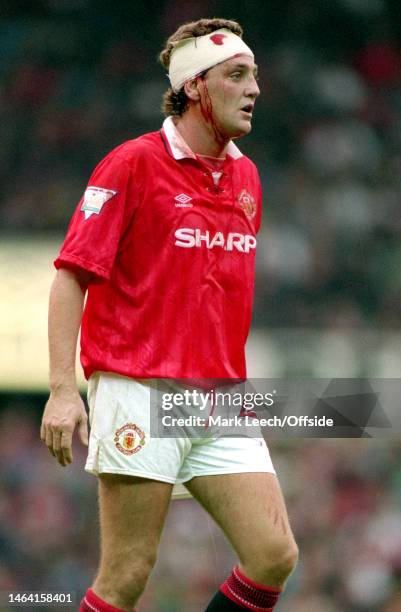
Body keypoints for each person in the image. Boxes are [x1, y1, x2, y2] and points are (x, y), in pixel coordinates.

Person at [40, 17, 298, 612]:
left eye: (255, 75)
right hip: (138, 385)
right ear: (195, 89)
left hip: (220, 396)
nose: (255, 88)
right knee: (127, 577)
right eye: (237, 75)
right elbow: (70, 275)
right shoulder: (130, 164)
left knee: (274, 556)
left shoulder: (247, 176)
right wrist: (61, 389)